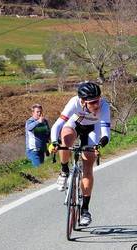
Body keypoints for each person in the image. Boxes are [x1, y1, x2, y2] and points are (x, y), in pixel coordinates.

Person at [49, 81, 111, 226]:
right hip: (75, 125)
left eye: (98, 100)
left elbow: (105, 132)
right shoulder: (74, 103)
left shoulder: (104, 106)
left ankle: (85, 210)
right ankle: (64, 170)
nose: (96, 105)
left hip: (92, 130)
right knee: (65, 138)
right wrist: (54, 142)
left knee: (88, 164)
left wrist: (99, 145)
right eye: (92, 102)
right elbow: (58, 125)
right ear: (82, 101)